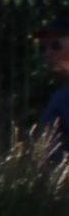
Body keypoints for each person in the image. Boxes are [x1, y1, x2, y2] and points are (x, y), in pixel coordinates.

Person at [37, 19, 69, 159]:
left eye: (56, 45)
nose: (47, 53)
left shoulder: (63, 98)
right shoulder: (61, 94)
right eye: (43, 46)